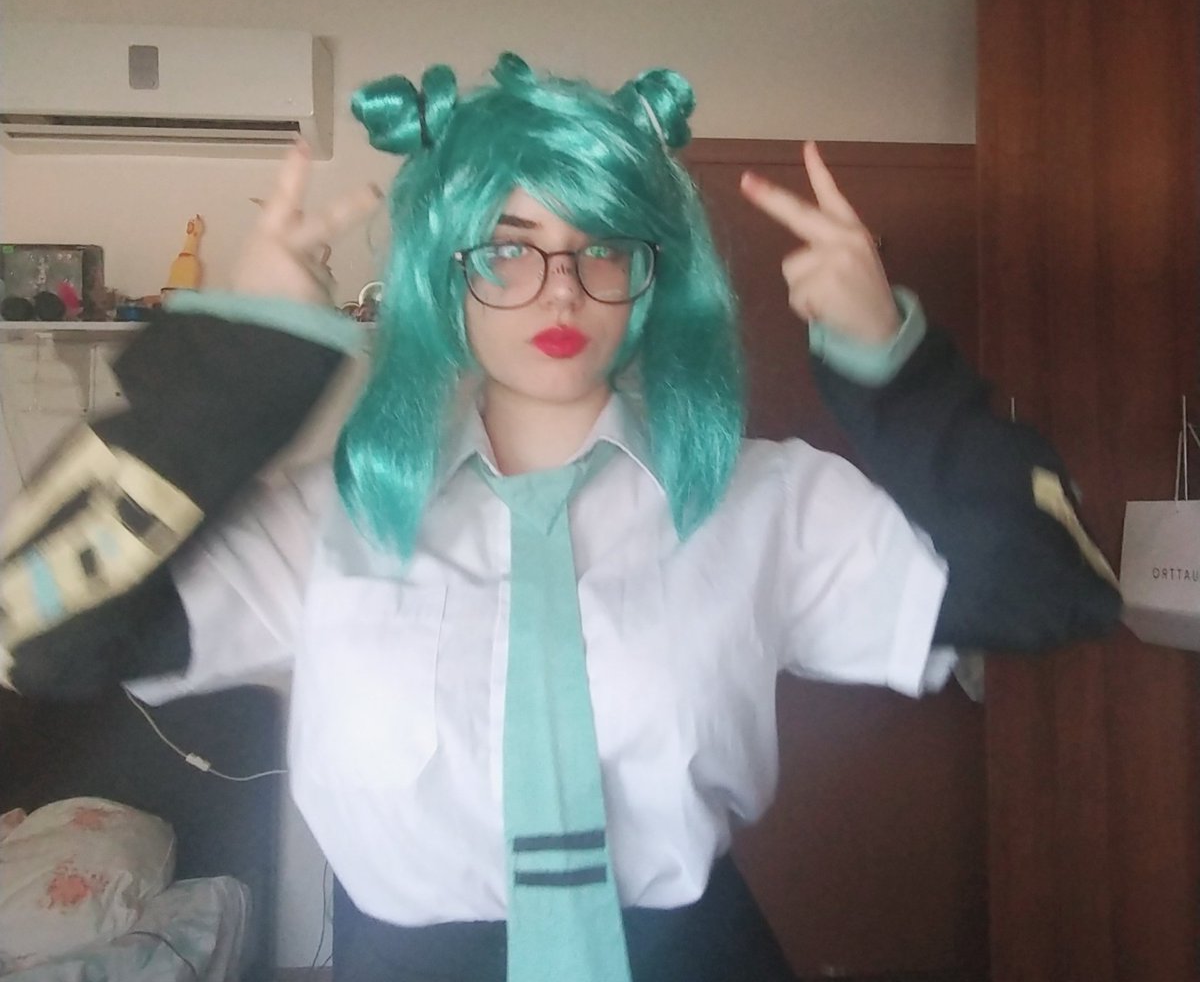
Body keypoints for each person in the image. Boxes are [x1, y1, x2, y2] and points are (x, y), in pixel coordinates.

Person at [0, 53, 1120, 982]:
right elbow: (35, 627)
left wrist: (894, 365)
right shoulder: (332, 523)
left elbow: (1050, 588)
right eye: (508, 248)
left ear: (652, 276)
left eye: (603, 248)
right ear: (446, 275)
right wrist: (237, 358)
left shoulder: (762, 500)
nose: (561, 289)